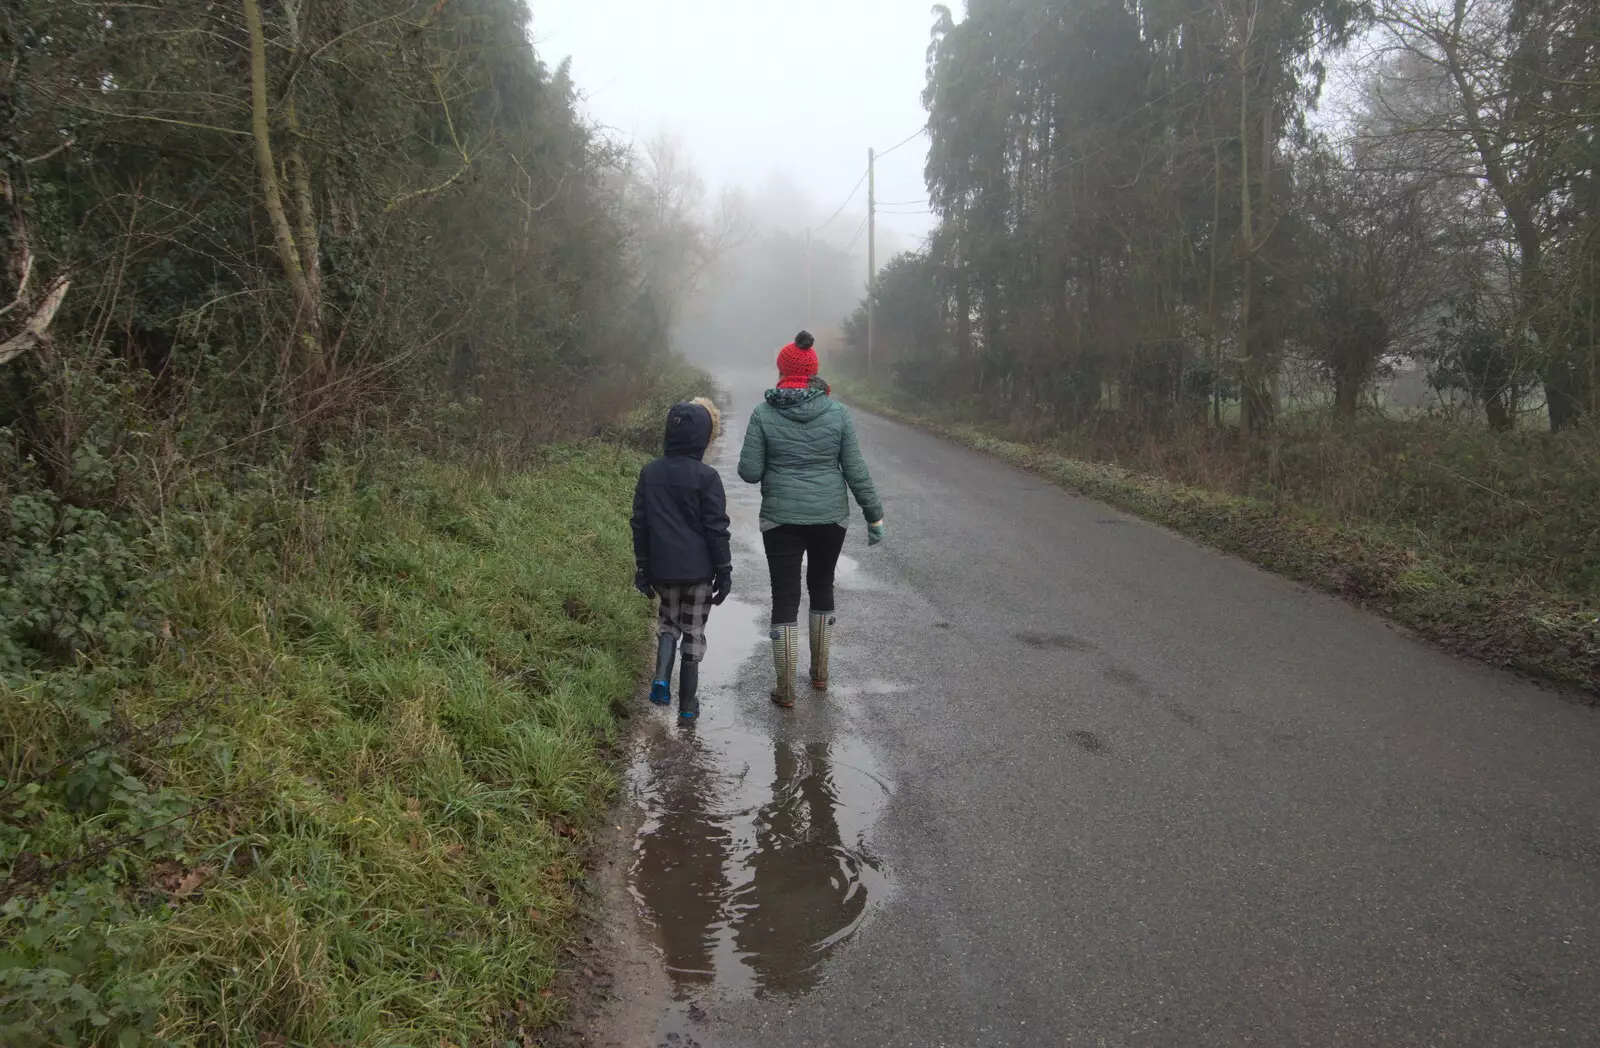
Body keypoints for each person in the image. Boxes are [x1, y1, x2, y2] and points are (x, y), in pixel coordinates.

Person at [738, 331, 885, 707]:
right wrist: (874, 514)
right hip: (829, 517)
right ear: (814, 370)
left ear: (781, 369)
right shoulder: (837, 413)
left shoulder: (763, 413)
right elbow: (854, 469)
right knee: (822, 586)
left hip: (780, 518)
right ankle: (820, 676)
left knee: (784, 597)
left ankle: (785, 690)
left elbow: (750, 472)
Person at [631, 397, 733, 721]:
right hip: (700, 573)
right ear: (704, 438)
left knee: (667, 624)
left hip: (663, 569)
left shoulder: (650, 473)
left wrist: (644, 568)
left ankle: (661, 678)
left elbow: (640, 523)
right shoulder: (707, 477)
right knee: (693, 634)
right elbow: (717, 528)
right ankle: (688, 708)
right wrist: (724, 571)